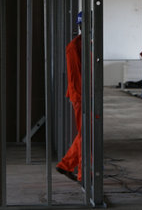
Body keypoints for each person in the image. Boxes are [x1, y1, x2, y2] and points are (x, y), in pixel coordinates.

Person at [56, 12, 83, 182]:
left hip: (85, 96)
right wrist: (85, 98)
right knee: (87, 135)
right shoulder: (74, 47)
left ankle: (66, 165)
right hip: (81, 97)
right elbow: (75, 77)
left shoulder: (86, 44)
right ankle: (84, 174)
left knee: (86, 134)